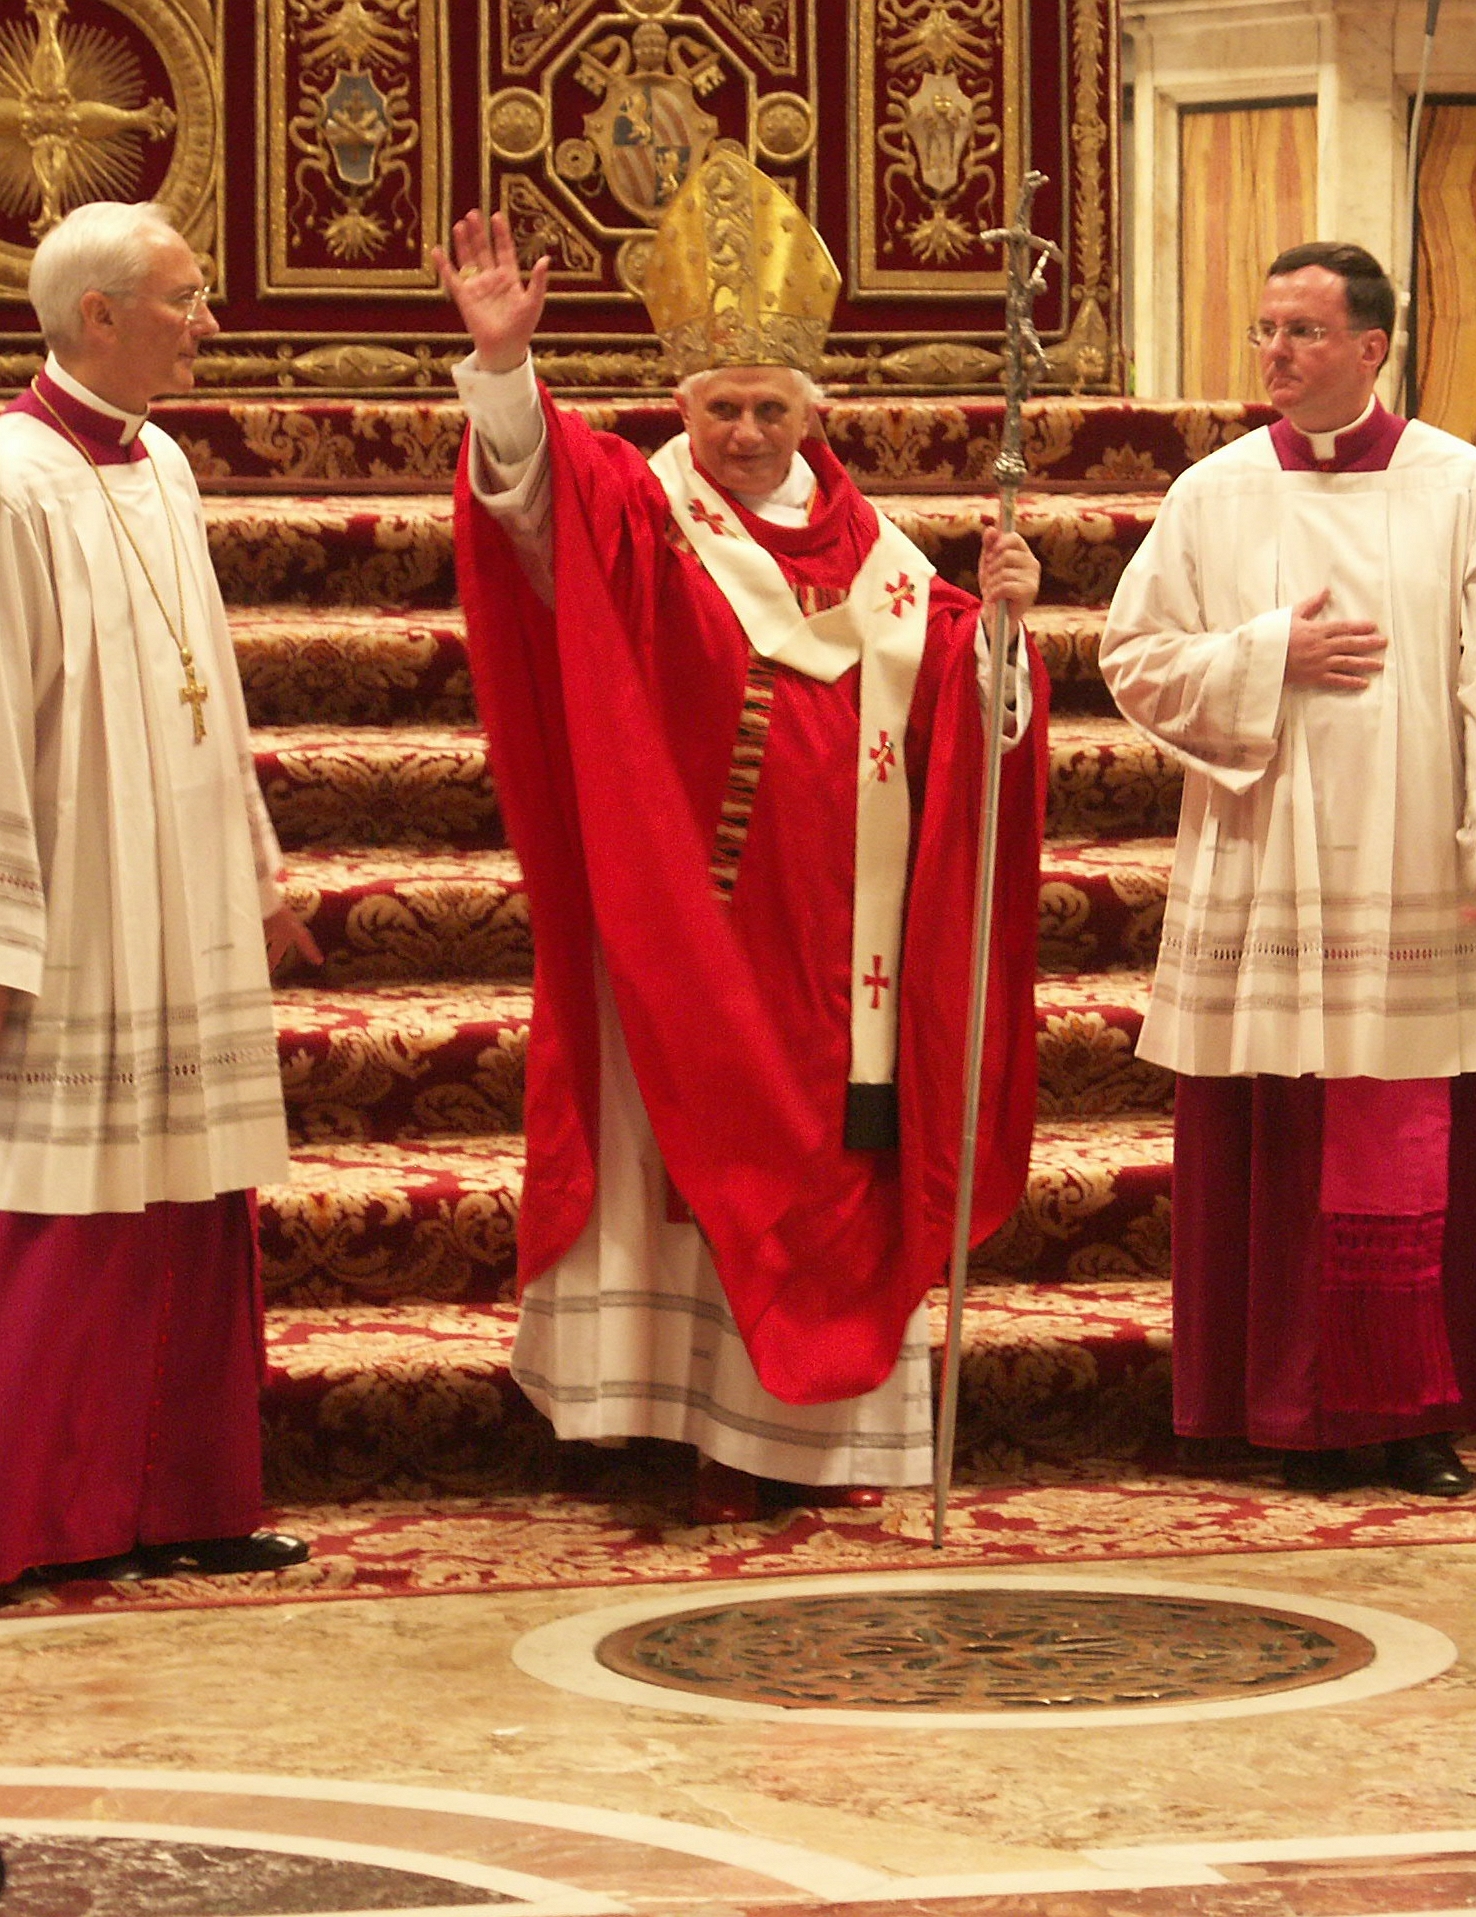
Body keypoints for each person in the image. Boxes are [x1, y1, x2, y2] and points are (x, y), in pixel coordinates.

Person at [437, 153, 1049, 1523]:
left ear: (813, 408)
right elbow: (531, 504)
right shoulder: (642, 513)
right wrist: (501, 371)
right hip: (689, 925)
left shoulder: (891, 557)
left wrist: (1003, 635)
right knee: (686, 1163)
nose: (748, 430)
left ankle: (803, 1444)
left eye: (773, 405)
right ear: (684, 401)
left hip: (846, 949)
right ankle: (659, 1421)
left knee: (828, 1163)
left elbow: (976, 713)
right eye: (723, 405)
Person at [1100, 241, 1476, 1496]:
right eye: (1265, 329)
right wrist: (1268, 656)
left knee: (1406, 1134)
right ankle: (1281, 1409)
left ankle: (1415, 1413)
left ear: (1372, 348)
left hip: (1418, 853)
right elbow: (1137, 659)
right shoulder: (1214, 494)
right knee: (1275, 1132)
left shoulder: (1457, 486)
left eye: (1304, 332)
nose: (1275, 352)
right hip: (1268, 861)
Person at [0, 201, 319, 1586]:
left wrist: (254, 873)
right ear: (97, 320)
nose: (207, 324)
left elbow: (214, 689)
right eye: (185, 301)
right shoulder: (11, 483)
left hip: (179, 883)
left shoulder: (168, 466)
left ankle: (190, 1499)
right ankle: (36, 1521)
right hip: (80, 896)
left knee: (196, 1193)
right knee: (73, 1211)